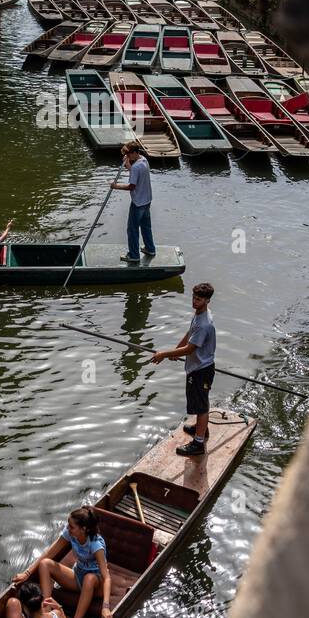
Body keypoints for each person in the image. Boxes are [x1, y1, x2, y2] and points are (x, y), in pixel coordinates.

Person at [13, 506, 112, 618]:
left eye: (71, 526)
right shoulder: (71, 534)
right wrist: (27, 573)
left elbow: (106, 577)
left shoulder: (95, 545)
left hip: (96, 585)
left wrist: (105, 607)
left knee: (89, 578)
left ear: (84, 529)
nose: (68, 528)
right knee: (45, 564)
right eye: (68, 525)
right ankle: (46, 614)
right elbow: (50, 552)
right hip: (78, 577)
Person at [150, 282, 216, 457]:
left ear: (207, 300)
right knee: (199, 402)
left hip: (202, 370)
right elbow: (189, 335)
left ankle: (199, 443)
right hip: (196, 367)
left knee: (201, 406)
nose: (194, 302)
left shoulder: (204, 324)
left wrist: (164, 354)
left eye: (199, 299)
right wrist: (176, 349)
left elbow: (190, 349)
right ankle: (200, 429)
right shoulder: (200, 313)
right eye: (193, 298)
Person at [110, 141, 156, 263]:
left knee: (132, 229)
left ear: (135, 152)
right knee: (146, 226)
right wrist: (128, 164)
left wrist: (116, 186)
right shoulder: (143, 160)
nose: (128, 156)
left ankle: (134, 255)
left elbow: (131, 186)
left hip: (138, 203)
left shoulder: (136, 167)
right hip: (147, 200)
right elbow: (135, 172)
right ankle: (150, 248)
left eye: (129, 154)